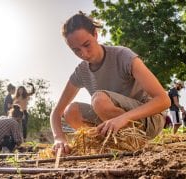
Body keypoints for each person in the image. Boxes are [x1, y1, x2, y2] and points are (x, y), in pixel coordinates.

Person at [50, 12, 171, 155]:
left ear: (95, 34)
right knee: (71, 111)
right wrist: (59, 138)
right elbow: (56, 112)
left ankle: (133, 143)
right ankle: (107, 145)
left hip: (149, 120)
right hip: (114, 120)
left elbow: (164, 100)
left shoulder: (123, 56)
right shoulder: (81, 71)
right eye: (76, 50)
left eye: (86, 45)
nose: (84, 54)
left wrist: (124, 118)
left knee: (99, 100)